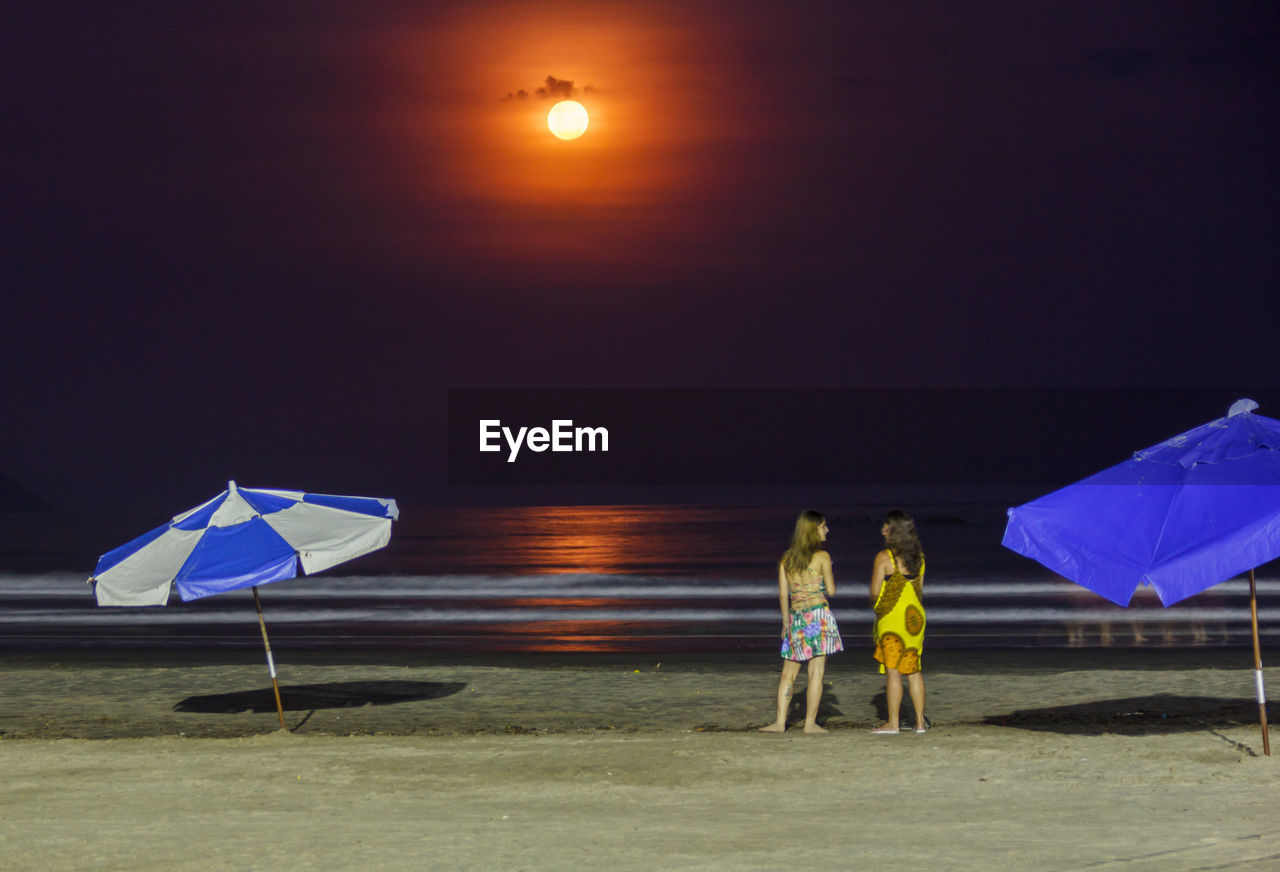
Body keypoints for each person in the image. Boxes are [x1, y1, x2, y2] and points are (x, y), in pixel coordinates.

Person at [759, 510, 843, 734]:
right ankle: (809, 723)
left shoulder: (786, 559)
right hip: (818, 617)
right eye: (823, 526)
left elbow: (782, 595)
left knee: (788, 673)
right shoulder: (823, 557)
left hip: (796, 618)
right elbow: (832, 591)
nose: (827, 530)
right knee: (816, 672)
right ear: (812, 530)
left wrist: (786, 623)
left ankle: (779, 723)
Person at [870, 510, 927, 734]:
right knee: (914, 669)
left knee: (893, 671)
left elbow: (875, 592)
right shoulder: (919, 557)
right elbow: (919, 589)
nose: (882, 530)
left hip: (892, 618)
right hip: (915, 618)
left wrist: (880, 605)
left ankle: (893, 723)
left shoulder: (884, 558)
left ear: (895, 531)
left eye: (887, 526)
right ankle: (920, 723)